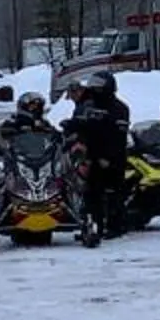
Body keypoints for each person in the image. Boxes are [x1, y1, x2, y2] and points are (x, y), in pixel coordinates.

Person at [64, 71, 134, 233]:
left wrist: (107, 157)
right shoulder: (90, 105)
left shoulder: (119, 108)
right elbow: (82, 124)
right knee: (92, 192)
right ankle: (95, 225)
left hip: (112, 156)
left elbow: (117, 136)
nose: (94, 89)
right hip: (92, 154)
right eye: (93, 85)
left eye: (98, 85)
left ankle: (116, 226)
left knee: (113, 192)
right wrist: (70, 126)